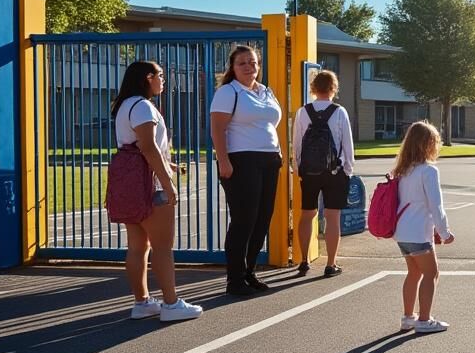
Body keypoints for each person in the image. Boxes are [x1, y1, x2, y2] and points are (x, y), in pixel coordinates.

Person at [112, 61, 203, 322]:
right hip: (149, 183)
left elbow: (135, 146)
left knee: (137, 246)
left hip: (129, 183)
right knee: (163, 246)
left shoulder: (124, 105)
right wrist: (168, 181)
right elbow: (148, 148)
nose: (163, 80)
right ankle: (171, 305)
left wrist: (168, 163)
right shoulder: (142, 106)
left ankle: (142, 302)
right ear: (148, 77)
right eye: (160, 76)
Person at [209, 45, 284, 298]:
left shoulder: (265, 91)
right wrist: (224, 161)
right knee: (244, 220)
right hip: (241, 161)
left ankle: (249, 271)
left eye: (252, 62)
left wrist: (279, 153)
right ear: (233, 67)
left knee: (262, 218)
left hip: (269, 160)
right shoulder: (228, 92)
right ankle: (235, 279)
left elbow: (270, 124)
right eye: (242, 63)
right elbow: (217, 129)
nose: (249, 67)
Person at [291, 70, 355, 278]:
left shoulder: (303, 112)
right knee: (332, 216)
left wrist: (299, 167)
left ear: (313, 88)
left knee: (307, 214)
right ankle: (331, 263)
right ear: (333, 88)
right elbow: (347, 144)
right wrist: (347, 170)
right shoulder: (339, 111)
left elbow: (297, 143)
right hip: (334, 171)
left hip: (309, 171)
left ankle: (303, 261)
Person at [393, 121, 456, 332]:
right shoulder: (428, 171)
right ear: (428, 144)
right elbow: (436, 205)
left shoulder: (402, 170)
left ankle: (408, 316)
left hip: (401, 231)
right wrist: (445, 232)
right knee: (431, 273)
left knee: (413, 273)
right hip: (419, 231)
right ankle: (424, 320)